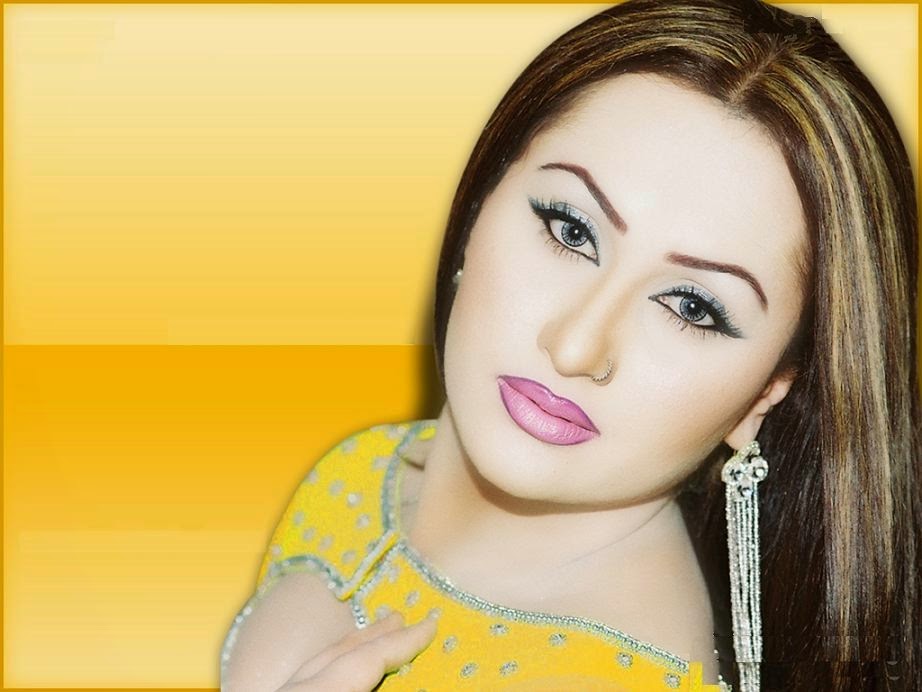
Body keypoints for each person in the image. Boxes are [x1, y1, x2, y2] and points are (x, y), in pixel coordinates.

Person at [220, 0, 921, 689]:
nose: (577, 346)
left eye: (692, 307)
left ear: (764, 394)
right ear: (480, 203)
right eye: (571, 230)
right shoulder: (364, 470)